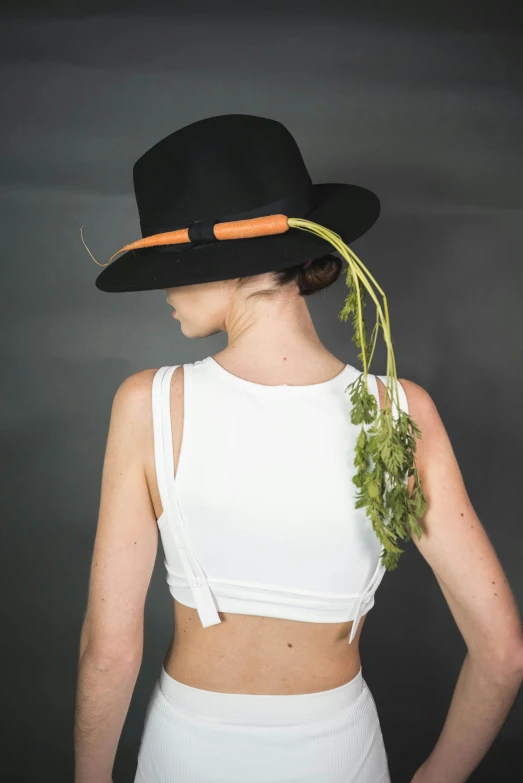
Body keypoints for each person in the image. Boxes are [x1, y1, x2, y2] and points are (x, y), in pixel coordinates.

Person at [74, 114, 523, 783]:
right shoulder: (399, 414)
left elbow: (109, 653)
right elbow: (504, 652)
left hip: (189, 749)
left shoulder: (148, 403)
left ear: (228, 268)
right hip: (339, 752)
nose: (164, 291)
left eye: (173, 267)